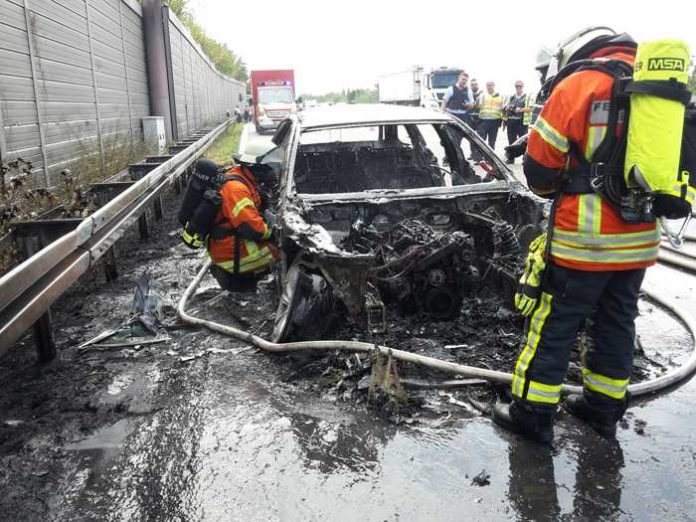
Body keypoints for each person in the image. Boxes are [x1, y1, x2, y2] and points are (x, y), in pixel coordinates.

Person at [492, 27, 662, 442]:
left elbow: (539, 174)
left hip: (584, 243)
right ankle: (602, 409)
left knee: (553, 325)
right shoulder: (654, 89)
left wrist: (574, 176)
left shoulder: (580, 83)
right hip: (639, 241)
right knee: (617, 321)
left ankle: (532, 414)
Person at [207, 150, 281, 292]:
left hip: (232, 246)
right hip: (230, 257)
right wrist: (276, 232)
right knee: (281, 251)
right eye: (268, 169)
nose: (272, 173)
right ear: (257, 169)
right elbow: (253, 228)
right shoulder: (237, 189)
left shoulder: (244, 178)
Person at [503, 81, 529, 162]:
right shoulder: (511, 97)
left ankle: (525, 159)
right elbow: (505, 108)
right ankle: (511, 158)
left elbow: (531, 108)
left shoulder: (526, 97)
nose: (518, 88)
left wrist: (520, 109)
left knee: (524, 141)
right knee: (511, 140)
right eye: (517, 86)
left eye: (520, 86)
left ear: (523, 87)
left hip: (521, 122)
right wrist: (507, 108)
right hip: (511, 122)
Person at [476, 81, 505, 151]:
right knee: (481, 141)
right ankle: (479, 158)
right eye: (487, 85)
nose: (489, 87)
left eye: (490, 85)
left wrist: (504, 120)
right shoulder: (483, 95)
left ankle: (490, 159)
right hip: (483, 121)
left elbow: (503, 109)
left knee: (492, 141)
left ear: (494, 86)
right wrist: (477, 101)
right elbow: (478, 107)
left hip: (495, 121)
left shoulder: (500, 96)